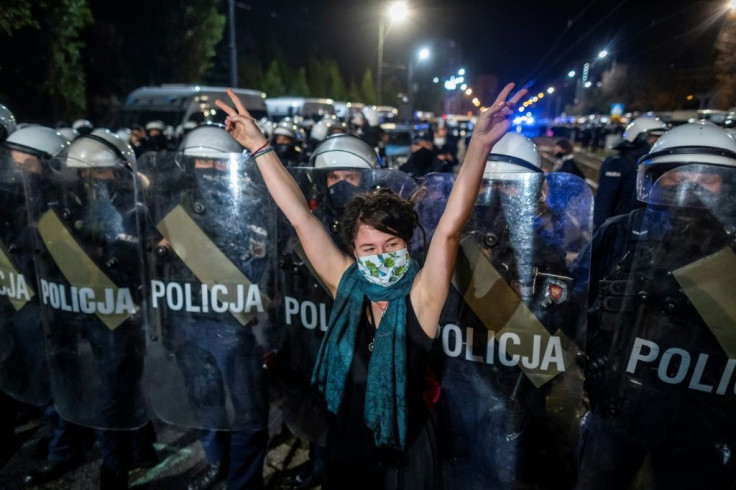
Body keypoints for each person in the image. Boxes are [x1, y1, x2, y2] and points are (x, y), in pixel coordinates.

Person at [216, 82, 527, 489]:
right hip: (346, 443)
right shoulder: (346, 284)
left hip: (406, 451)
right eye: (369, 247)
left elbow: (449, 230)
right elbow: (301, 218)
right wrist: (259, 146)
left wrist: (479, 148)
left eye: (391, 244)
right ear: (354, 252)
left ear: (406, 245)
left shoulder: (422, 297)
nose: (381, 255)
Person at [578, 122, 736, 489]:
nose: (688, 186)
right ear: (655, 178)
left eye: (705, 178)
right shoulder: (623, 232)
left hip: (698, 423)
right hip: (619, 408)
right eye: (675, 175)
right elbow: (582, 301)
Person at [434, 132, 590, 489]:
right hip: (454, 374)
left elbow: (553, 326)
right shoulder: (449, 238)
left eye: (512, 187)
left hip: (509, 389)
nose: (500, 197)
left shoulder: (544, 251)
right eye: (493, 186)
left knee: (498, 474)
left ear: (533, 193)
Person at [143, 124, 274, 490]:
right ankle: (216, 461)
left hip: (233, 324)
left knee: (248, 410)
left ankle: (244, 480)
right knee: (204, 403)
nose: (208, 170)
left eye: (216, 164)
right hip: (187, 318)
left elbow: (263, 268)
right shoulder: (172, 205)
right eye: (200, 162)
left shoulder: (250, 202)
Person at [593, 117, 667, 229]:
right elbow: (604, 201)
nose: (657, 143)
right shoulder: (617, 163)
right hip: (622, 226)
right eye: (654, 138)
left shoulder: (656, 164)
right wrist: (604, 230)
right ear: (638, 137)